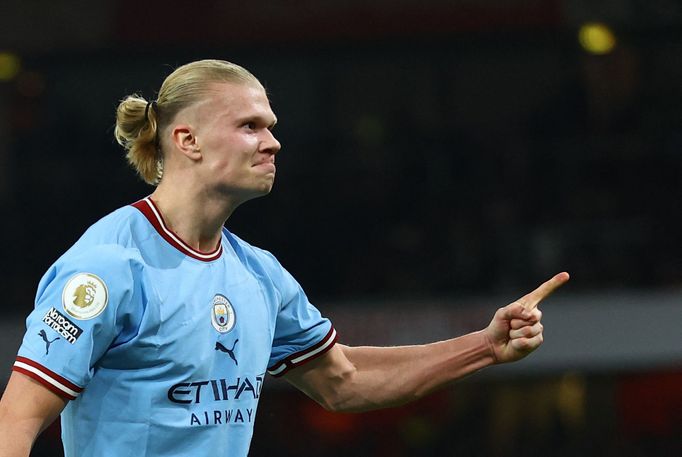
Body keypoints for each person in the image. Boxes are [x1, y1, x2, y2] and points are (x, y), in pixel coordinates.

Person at [0, 59, 569, 457]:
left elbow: (342, 382)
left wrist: (485, 346)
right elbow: (16, 420)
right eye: (250, 126)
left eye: (271, 127)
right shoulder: (106, 267)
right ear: (187, 140)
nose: (272, 142)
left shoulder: (259, 274)